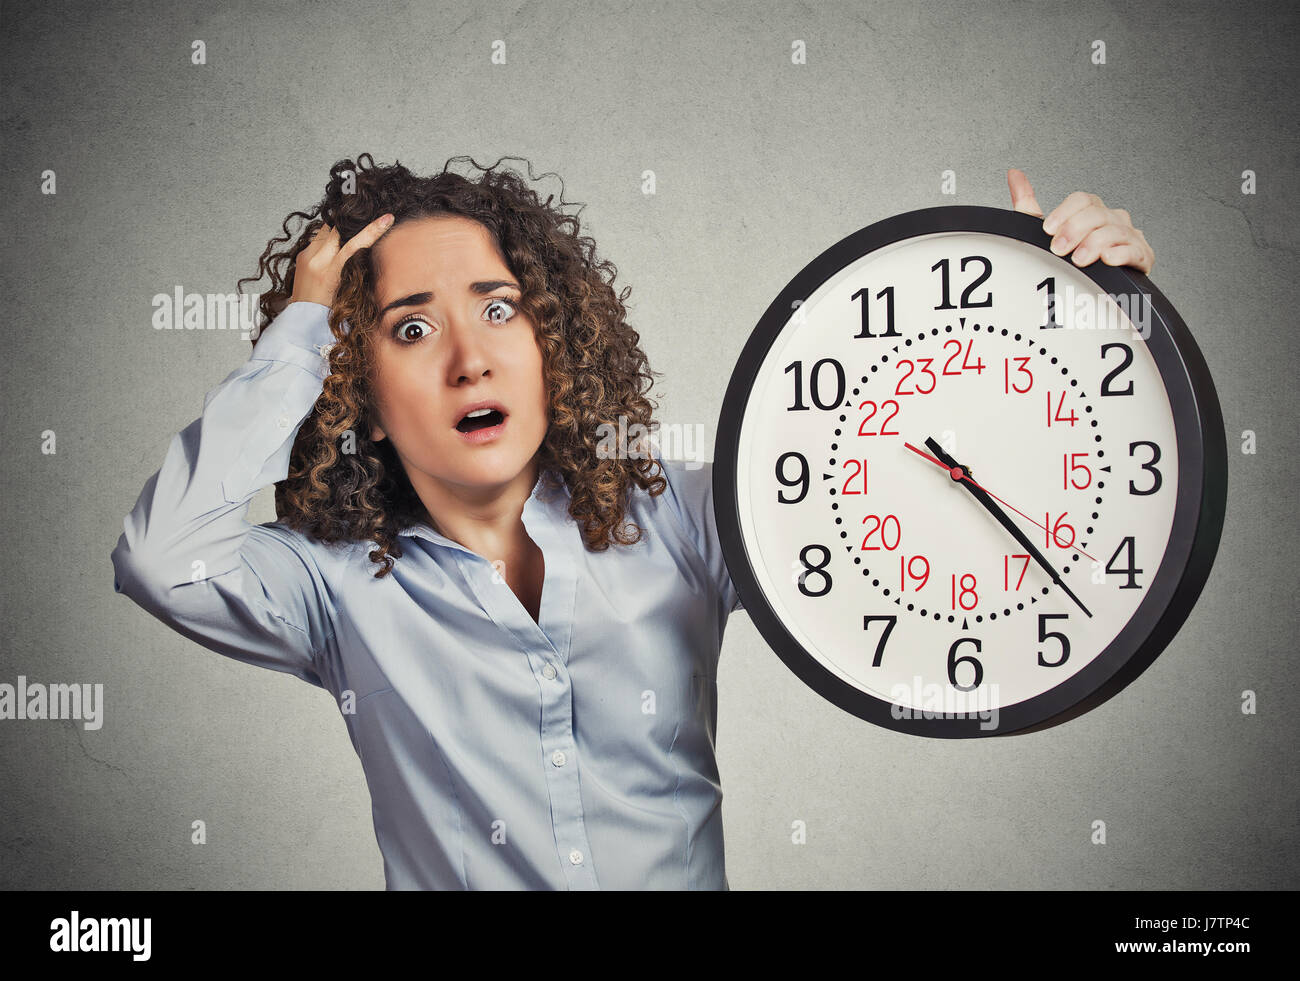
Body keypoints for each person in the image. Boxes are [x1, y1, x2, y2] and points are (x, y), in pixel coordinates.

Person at [110, 154, 1154, 889]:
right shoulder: (330, 592)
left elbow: (915, 499)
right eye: (412, 327)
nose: (469, 356)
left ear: (553, 337)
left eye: (500, 305)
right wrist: (299, 333)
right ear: (357, 390)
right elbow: (163, 558)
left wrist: (1075, 306)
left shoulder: (688, 517)